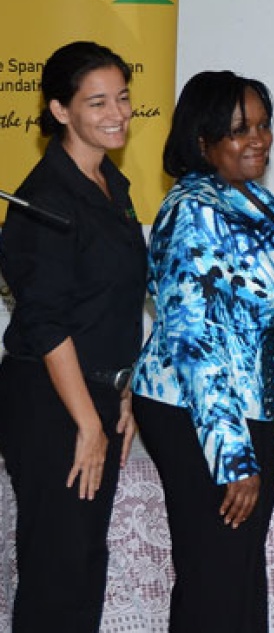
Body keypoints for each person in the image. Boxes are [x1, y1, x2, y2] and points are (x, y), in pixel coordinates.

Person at [132, 71, 274, 632]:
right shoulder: (192, 210)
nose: (257, 139)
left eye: (263, 125)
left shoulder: (253, 199)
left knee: (239, 570)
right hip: (195, 414)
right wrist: (232, 457)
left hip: (250, 407)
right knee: (214, 570)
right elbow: (196, 345)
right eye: (239, 130)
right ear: (202, 140)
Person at [0, 41, 145, 632]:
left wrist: (124, 392)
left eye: (124, 97)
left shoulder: (112, 183)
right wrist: (88, 423)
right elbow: (46, 320)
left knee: (85, 560)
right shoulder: (44, 198)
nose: (118, 113)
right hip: (52, 404)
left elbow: (113, 305)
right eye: (97, 102)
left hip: (98, 395)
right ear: (60, 110)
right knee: (57, 568)